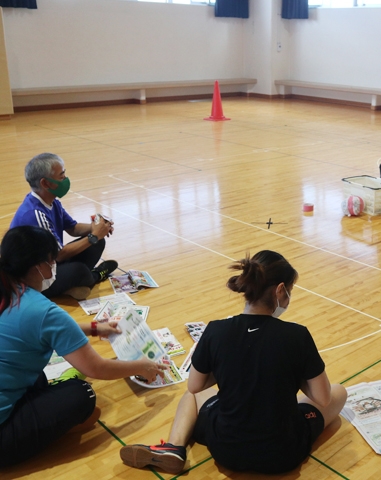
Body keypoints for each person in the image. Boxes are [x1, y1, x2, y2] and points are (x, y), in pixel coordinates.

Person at [120, 250, 347, 475]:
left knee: (191, 396)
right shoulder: (297, 335)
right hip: (283, 453)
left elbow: (195, 387)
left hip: (226, 448)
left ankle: (175, 446)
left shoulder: (216, 330)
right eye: (289, 291)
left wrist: (229, 368)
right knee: (339, 392)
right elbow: (323, 397)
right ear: (279, 290)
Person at [0, 226, 165, 468]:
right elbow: (97, 368)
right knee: (82, 394)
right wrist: (141, 366)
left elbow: (42, 329)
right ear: (39, 266)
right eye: (52, 260)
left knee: (39, 378)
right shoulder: (42, 309)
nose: (54, 266)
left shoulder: (8, 289)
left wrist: (95, 328)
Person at [10, 152, 119, 300]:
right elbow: (59, 255)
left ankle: (71, 285)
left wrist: (97, 228)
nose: (65, 179)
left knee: (97, 242)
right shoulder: (35, 214)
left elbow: (73, 228)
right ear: (45, 183)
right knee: (80, 270)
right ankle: (94, 276)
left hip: (49, 264)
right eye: (61, 176)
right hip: (32, 279)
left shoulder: (51, 201)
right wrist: (93, 236)